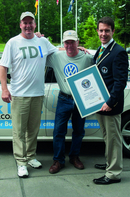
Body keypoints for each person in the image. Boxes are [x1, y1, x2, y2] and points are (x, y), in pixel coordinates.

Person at [0, 11, 58, 178]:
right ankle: (21, 162)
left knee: (33, 129)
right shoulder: (13, 43)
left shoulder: (42, 41)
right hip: (19, 95)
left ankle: (31, 156)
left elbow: (58, 52)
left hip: (37, 94)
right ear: (20, 25)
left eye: (30, 22)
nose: (28, 25)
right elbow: (3, 67)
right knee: (19, 131)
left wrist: (75, 47)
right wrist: (5, 89)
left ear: (34, 24)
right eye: (25, 23)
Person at [47, 30, 94, 174]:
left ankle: (74, 157)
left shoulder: (87, 58)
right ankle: (58, 160)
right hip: (64, 98)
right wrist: (38, 37)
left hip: (81, 99)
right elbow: (39, 53)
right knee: (58, 131)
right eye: (66, 42)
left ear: (78, 42)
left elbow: (95, 77)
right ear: (63, 43)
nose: (69, 45)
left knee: (79, 131)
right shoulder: (56, 57)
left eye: (72, 42)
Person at [93, 17, 129, 185]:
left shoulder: (118, 51)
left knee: (114, 139)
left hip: (110, 105)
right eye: (101, 30)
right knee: (107, 137)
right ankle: (110, 163)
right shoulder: (101, 49)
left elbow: (120, 82)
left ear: (113, 31)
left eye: (107, 30)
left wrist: (110, 102)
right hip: (100, 104)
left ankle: (113, 173)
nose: (103, 34)